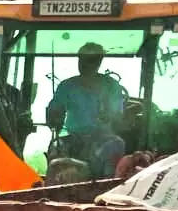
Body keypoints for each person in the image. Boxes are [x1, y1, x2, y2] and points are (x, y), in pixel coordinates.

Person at [46, 43, 126, 176]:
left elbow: (117, 115)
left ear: (99, 62)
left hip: (103, 138)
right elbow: (54, 112)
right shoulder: (67, 86)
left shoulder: (111, 86)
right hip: (72, 138)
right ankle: (53, 188)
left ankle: (107, 185)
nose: (83, 64)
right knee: (55, 147)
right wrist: (54, 116)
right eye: (81, 60)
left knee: (116, 144)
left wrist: (109, 115)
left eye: (90, 60)